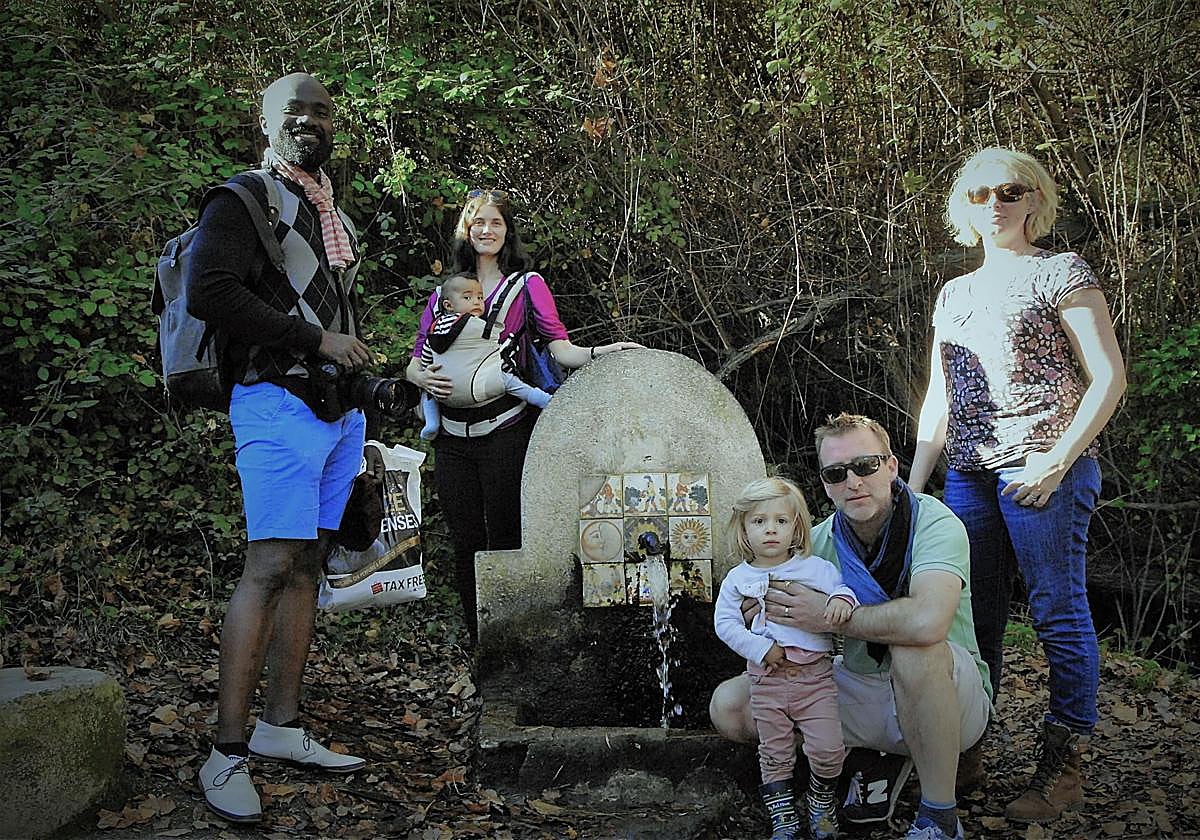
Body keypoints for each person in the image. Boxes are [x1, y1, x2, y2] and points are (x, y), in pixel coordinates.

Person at [186, 73, 417, 824]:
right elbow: (210, 294)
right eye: (295, 109)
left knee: (311, 564)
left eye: (321, 110)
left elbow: (319, 303)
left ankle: (280, 728)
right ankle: (225, 755)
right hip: (274, 404)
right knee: (270, 564)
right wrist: (316, 339)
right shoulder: (241, 198)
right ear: (264, 119)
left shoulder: (330, 211)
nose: (309, 119)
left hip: (335, 413)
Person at [908, 147, 1126, 823]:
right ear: (963, 210)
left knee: (1059, 613)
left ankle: (1063, 769)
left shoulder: (1060, 272)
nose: (995, 204)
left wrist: (1058, 460)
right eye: (979, 195)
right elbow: (940, 399)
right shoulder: (954, 293)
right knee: (974, 621)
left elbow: (1110, 377)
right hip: (969, 479)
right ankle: (967, 749)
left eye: (1009, 191)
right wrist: (914, 488)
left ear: (1035, 199)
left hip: (1042, 476)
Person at [710, 413, 992, 840]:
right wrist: (762, 621)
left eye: (866, 466)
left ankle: (939, 817)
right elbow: (763, 612)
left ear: (892, 466)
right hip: (859, 684)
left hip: (945, 691)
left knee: (915, 645)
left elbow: (927, 620)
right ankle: (863, 763)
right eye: (837, 473)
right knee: (730, 705)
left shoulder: (933, 522)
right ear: (825, 484)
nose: (853, 482)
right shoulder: (812, 545)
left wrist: (826, 614)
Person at [406, 189, 639, 642]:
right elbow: (416, 358)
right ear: (466, 231)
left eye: (494, 222)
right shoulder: (445, 294)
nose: (486, 230)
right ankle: (478, 645)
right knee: (465, 542)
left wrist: (604, 352)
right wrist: (422, 380)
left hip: (506, 431)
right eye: (477, 223)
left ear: (507, 229)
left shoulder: (527, 285)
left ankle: (512, 643)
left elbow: (560, 347)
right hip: (452, 437)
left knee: (508, 536)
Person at [714, 477, 857, 840]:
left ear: (796, 526)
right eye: (759, 522)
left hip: (815, 679)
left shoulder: (815, 569)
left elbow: (842, 590)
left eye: (781, 521)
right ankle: (783, 818)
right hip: (767, 680)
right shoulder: (738, 579)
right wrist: (760, 648)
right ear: (744, 530)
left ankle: (820, 802)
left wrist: (840, 601)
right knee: (775, 750)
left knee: (828, 748)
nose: (771, 530)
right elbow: (725, 624)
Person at [417, 271, 552, 441]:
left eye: (480, 298)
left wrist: (426, 373)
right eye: (468, 298)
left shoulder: (434, 328)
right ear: (448, 305)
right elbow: (494, 342)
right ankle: (544, 400)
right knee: (509, 381)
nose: (476, 302)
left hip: (445, 391)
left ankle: (432, 423)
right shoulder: (475, 324)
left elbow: (426, 354)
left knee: (428, 393)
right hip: (480, 388)